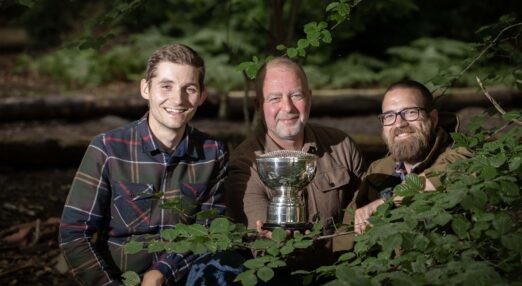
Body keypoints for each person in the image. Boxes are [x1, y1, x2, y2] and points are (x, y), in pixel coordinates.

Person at [59, 44, 231, 285]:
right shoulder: (107, 148)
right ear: (145, 88)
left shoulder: (213, 153)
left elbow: (209, 229)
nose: (178, 99)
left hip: (183, 276)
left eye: (189, 89)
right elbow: (74, 233)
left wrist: (161, 272)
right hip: (117, 278)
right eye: (166, 86)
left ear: (202, 96)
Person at [225, 57, 366, 268]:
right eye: (274, 98)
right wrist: (276, 240)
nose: (288, 107)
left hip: (345, 272)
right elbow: (260, 243)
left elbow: (367, 212)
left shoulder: (341, 145)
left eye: (296, 95)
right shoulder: (245, 164)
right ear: (258, 105)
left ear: (309, 98)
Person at [333, 79, 473, 250]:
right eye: (389, 116)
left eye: (411, 112)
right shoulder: (377, 170)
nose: (399, 123)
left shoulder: (461, 153)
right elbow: (344, 238)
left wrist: (387, 201)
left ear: (434, 118)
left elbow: (448, 174)